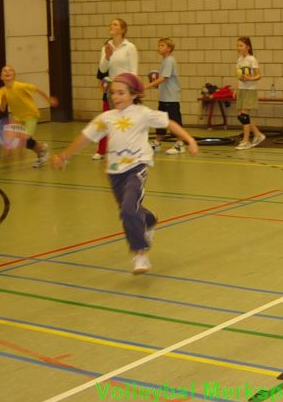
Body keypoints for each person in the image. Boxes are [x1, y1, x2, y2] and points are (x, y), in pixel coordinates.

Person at [51, 73, 198, 274]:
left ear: (134, 94)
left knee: (128, 210)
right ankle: (148, 219)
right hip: (114, 173)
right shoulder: (107, 118)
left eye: (121, 93)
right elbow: (85, 137)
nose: (116, 97)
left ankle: (140, 253)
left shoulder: (142, 113)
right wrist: (64, 156)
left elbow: (169, 123)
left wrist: (190, 140)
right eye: (113, 93)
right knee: (131, 209)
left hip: (137, 168)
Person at [94, 18, 138, 160]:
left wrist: (131, 90)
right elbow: (102, 69)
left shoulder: (129, 47)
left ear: (123, 30)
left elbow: (133, 70)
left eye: (115, 24)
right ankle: (101, 150)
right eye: (111, 23)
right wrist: (107, 56)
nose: (111, 26)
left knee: (125, 122)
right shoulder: (105, 47)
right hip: (112, 89)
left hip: (125, 89)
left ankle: (129, 149)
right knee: (107, 120)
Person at [0, 65, 58, 168]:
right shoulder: (1, 91)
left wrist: (48, 99)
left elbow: (36, 89)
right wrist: (3, 101)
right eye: (4, 71)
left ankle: (42, 149)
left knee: (25, 138)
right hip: (18, 117)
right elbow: (2, 109)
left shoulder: (20, 86)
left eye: (10, 70)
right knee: (24, 141)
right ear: (1, 77)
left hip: (30, 115)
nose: (7, 72)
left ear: (14, 76)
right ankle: (41, 148)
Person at [145, 37, 184, 155]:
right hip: (164, 97)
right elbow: (164, 80)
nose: (159, 48)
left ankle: (180, 145)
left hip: (171, 98)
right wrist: (157, 85)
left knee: (174, 122)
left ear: (169, 48)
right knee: (160, 121)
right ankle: (157, 143)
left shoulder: (169, 61)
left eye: (162, 45)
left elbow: (164, 78)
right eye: (159, 45)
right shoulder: (165, 61)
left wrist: (147, 85)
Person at [234, 37, 266, 150]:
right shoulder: (239, 60)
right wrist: (236, 89)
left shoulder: (252, 59)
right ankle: (258, 134)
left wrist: (250, 78)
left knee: (244, 115)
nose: (239, 48)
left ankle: (246, 140)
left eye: (241, 45)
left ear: (248, 47)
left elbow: (259, 75)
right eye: (237, 46)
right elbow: (238, 77)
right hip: (241, 90)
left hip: (250, 90)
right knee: (240, 116)